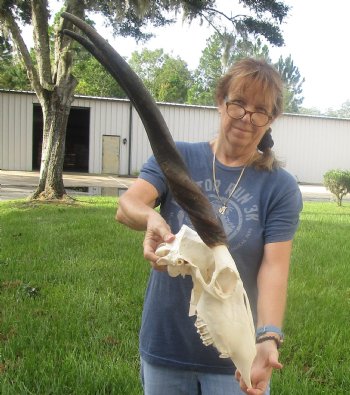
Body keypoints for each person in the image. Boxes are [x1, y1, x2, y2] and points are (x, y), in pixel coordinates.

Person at [116, 58, 302, 395]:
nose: (246, 117)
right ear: (220, 101)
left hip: (237, 358)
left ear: (271, 119)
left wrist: (269, 337)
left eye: (260, 110)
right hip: (166, 345)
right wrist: (152, 218)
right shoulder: (177, 158)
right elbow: (128, 205)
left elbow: (274, 268)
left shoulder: (280, 186)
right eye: (238, 103)